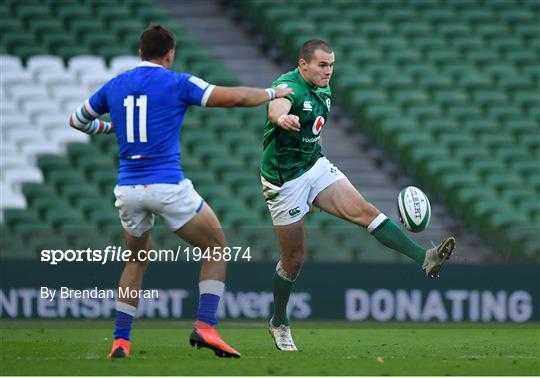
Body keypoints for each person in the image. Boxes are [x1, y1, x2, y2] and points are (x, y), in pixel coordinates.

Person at [68, 24, 292, 359]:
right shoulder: (177, 82)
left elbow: (77, 120)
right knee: (217, 246)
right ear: (169, 53)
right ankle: (205, 325)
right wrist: (275, 93)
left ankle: (121, 340)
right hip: (166, 184)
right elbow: (236, 98)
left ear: (141, 51)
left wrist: (109, 127)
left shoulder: (114, 85)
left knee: (136, 258)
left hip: (128, 188)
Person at [260, 39, 456, 351]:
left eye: (332, 65)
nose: (329, 71)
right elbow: (276, 107)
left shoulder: (324, 89)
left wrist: (319, 181)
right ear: (303, 65)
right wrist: (281, 118)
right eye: (323, 65)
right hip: (284, 181)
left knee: (365, 211)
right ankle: (279, 322)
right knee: (293, 259)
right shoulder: (289, 85)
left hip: (314, 166)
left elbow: (315, 131)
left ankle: (425, 258)